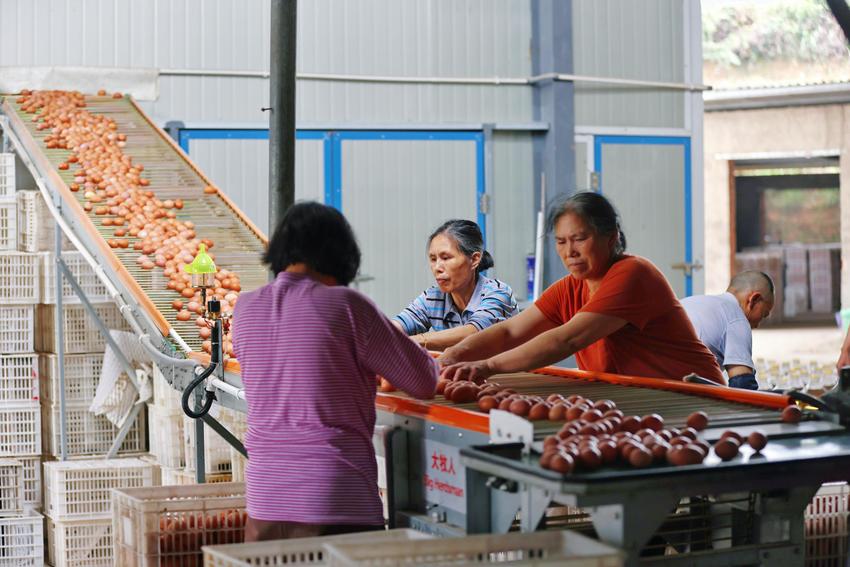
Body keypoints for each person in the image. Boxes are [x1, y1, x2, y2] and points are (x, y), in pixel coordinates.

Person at [232, 202, 438, 542]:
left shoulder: (245, 309)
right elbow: (423, 380)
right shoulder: (345, 304)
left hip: (264, 500)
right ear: (340, 255)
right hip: (334, 498)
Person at [439, 191, 724, 384]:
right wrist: (457, 353)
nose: (569, 251)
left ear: (611, 238)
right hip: (638, 396)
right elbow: (511, 331)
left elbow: (567, 340)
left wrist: (488, 366)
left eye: (580, 239)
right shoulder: (570, 288)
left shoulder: (633, 274)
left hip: (693, 393)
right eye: (561, 242)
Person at [392, 219, 518, 351]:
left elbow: (475, 333)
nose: (437, 267)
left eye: (446, 258)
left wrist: (415, 340)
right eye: (433, 259)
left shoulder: (498, 292)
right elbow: (395, 327)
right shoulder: (432, 298)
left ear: (474, 259)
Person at [681, 272, 775, 390]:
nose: (758, 325)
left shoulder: (690, 301)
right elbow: (742, 385)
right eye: (763, 314)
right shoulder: (736, 318)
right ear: (754, 300)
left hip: (654, 382)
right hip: (679, 389)